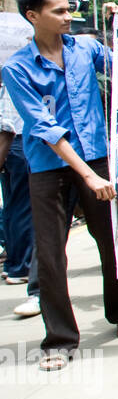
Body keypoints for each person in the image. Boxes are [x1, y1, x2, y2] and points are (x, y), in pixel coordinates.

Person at [2, 0, 118, 369]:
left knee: (111, 240)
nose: (69, 17)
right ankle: (60, 339)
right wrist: (87, 176)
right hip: (49, 168)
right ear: (33, 15)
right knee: (49, 255)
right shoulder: (16, 68)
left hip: (97, 157)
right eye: (60, 11)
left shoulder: (86, 50)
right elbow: (45, 128)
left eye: (70, 10)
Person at [0, 81, 33, 285]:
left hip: (8, 145)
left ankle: (13, 264)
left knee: (12, 205)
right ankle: (20, 266)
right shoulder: (15, 78)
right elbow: (9, 123)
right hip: (17, 140)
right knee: (23, 207)